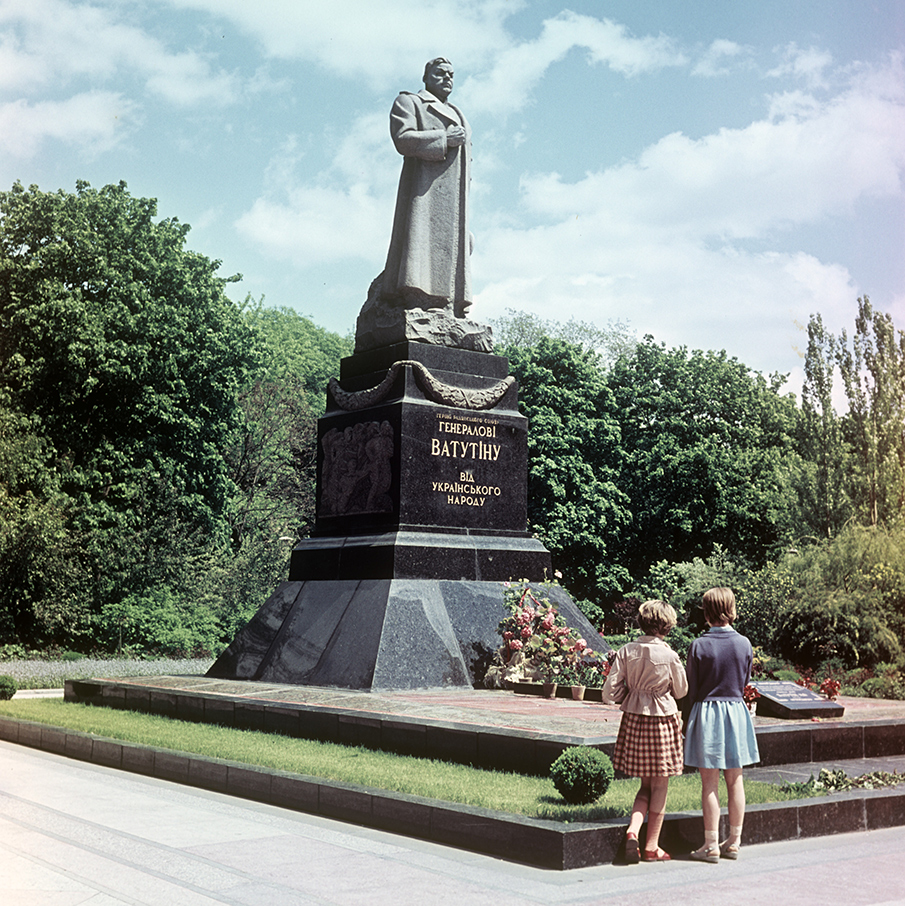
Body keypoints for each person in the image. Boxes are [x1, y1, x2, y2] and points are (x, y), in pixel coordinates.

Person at [379, 57, 472, 317]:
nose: (447, 78)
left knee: (454, 248)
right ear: (426, 77)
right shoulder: (410, 102)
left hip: (454, 200)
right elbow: (403, 139)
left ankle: (451, 304)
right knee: (420, 242)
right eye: (440, 73)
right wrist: (444, 138)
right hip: (424, 192)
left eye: (451, 74)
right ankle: (419, 299)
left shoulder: (458, 112)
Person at [602, 600, 688, 863]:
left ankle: (632, 832)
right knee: (661, 785)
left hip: (635, 720)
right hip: (662, 720)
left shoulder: (626, 650)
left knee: (644, 785)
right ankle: (652, 846)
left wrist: (631, 692)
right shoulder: (670, 655)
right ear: (667, 624)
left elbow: (609, 692)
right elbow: (682, 690)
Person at [684, 587, 760, 863]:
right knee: (735, 779)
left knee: (709, 784)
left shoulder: (698, 645)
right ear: (731, 608)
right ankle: (735, 841)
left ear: (706, 611)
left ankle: (710, 843)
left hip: (707, 713)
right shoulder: (744, 643)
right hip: (736, 712)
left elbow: (691, 688)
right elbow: (744, 680)